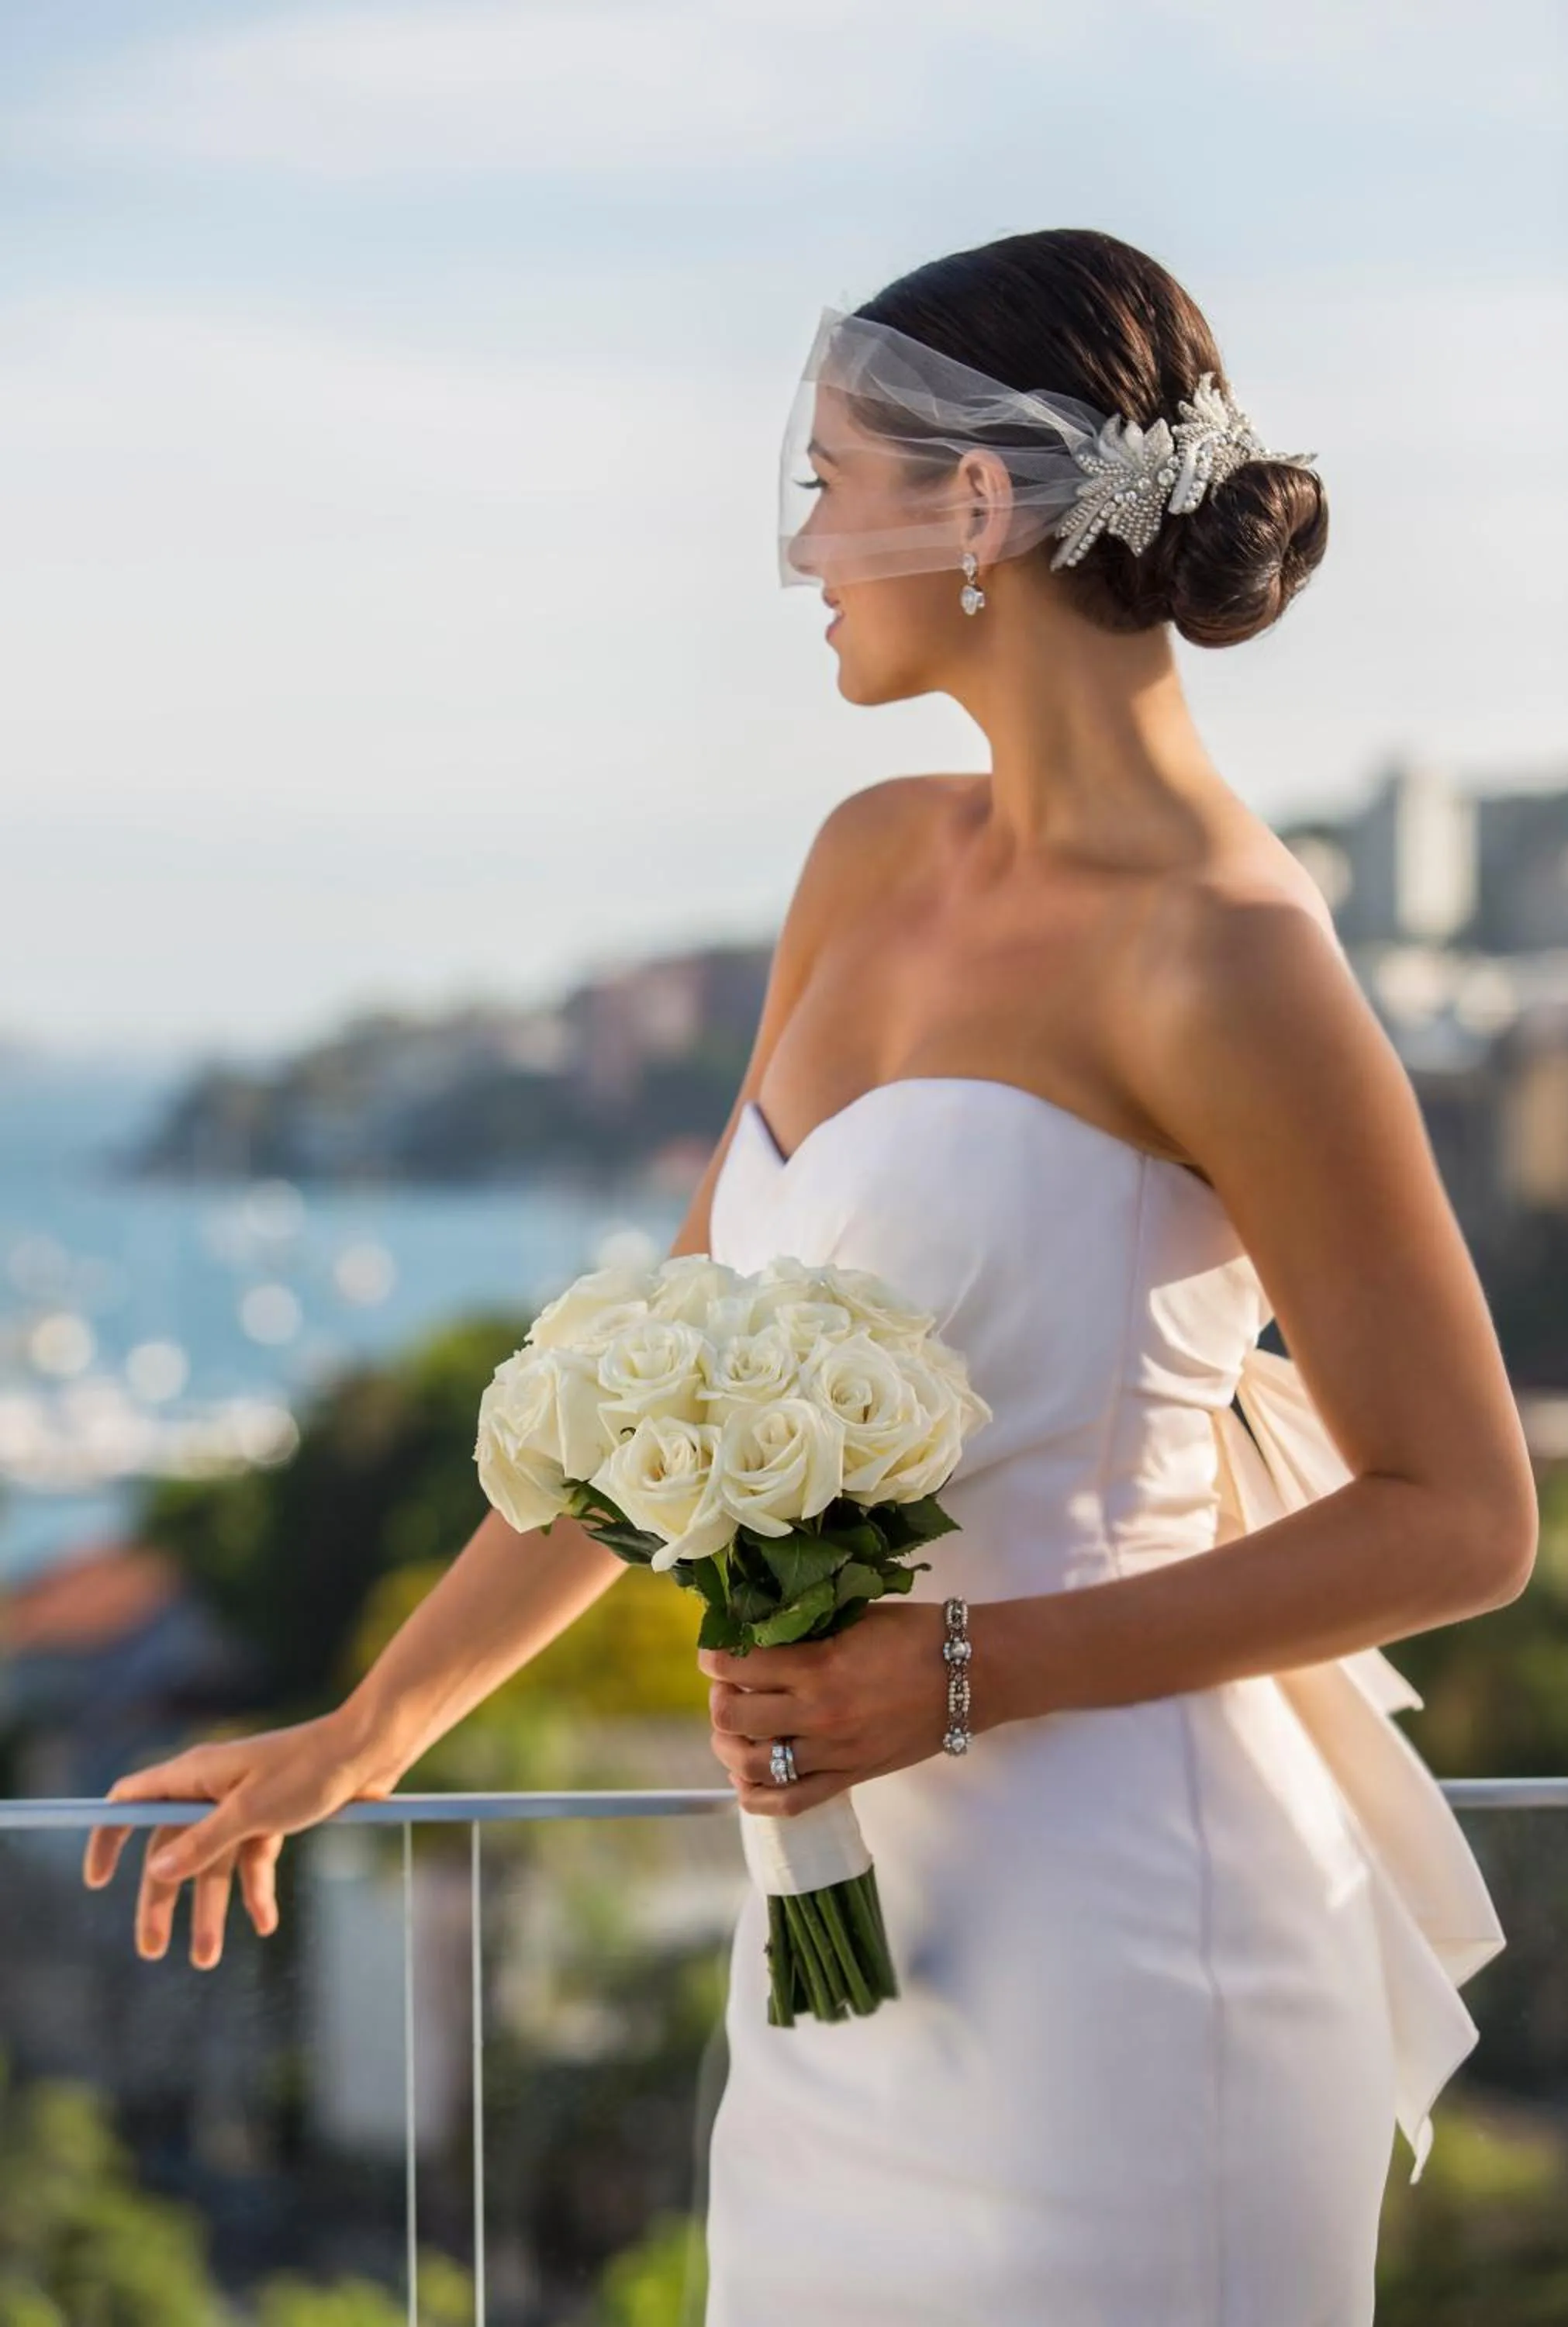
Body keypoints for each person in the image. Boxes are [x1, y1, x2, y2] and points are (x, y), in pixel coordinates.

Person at [85, 226, 1530, 2325]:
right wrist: (371, 1729)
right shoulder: (866, 858)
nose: (801, 552)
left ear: (976, 504)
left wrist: (962, 1673)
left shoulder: (1228, 953)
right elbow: (663, 1375)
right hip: (839, 1967)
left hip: (1130, 1959)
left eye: (829, 483)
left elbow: (1464, 1518)